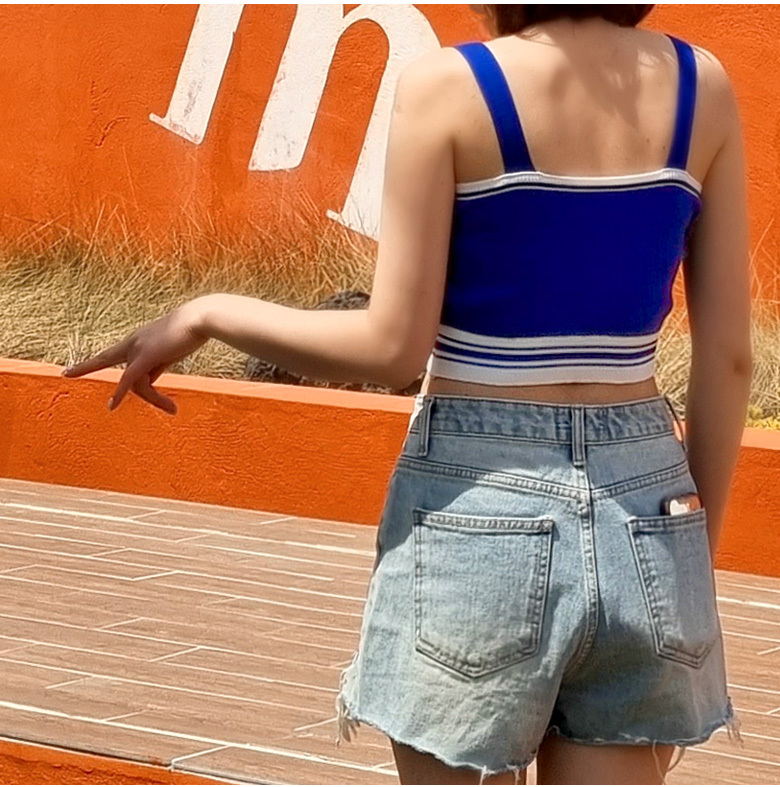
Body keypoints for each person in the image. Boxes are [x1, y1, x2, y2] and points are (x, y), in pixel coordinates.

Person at [61, 4, 751, 784]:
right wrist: (688, 556)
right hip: (648, 510)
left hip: (478, 495)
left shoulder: (451, 87)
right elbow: (729, 359)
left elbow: (391, 345)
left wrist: (208, 313)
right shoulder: (701, 86)